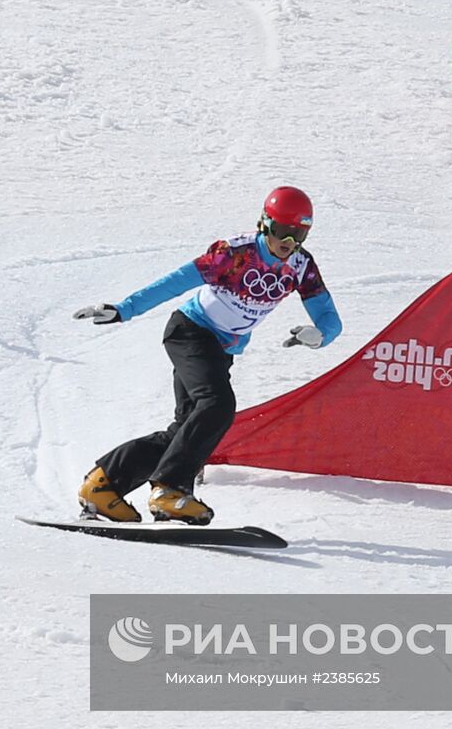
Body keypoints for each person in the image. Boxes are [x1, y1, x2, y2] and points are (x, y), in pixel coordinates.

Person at [72, 185, 342, 526]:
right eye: (282, 231)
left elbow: (329, 318)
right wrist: (124, 309)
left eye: (299, 234)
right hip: (190, 332)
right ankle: (171, 489)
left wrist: (321, 336)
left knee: (186, 431)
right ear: (264, 224)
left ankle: (104, 485)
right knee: (217, 405)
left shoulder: (301, 266)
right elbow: (177, 281)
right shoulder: (235, 252)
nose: (289, 242)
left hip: (220, 348)